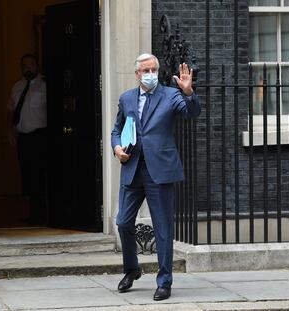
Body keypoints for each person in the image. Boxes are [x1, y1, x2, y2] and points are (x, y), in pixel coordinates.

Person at [111, 53, 200, 300]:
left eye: (154, 69)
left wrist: (188, 92)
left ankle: (164, 281)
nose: (151, 74)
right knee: (123, 222)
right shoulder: (127, 98)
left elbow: (191, 114)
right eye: (146, 70)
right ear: (137, 74)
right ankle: (132, 269)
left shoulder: (171, 95)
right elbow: (117, 130)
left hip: (159, 171)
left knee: (162, 228)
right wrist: (117, 148)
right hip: (133, 169)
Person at [8, 54, 47, 225]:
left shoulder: (44, 85)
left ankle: (44, 215)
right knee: (27, 176)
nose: (28, 68)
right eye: (24, 65)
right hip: (23, 138)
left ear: (37, 66)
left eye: (31, 64)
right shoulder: (17, 86)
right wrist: (10, 130)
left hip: (40, 137)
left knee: (40, 176)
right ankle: (33, 214)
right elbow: (10, 109)